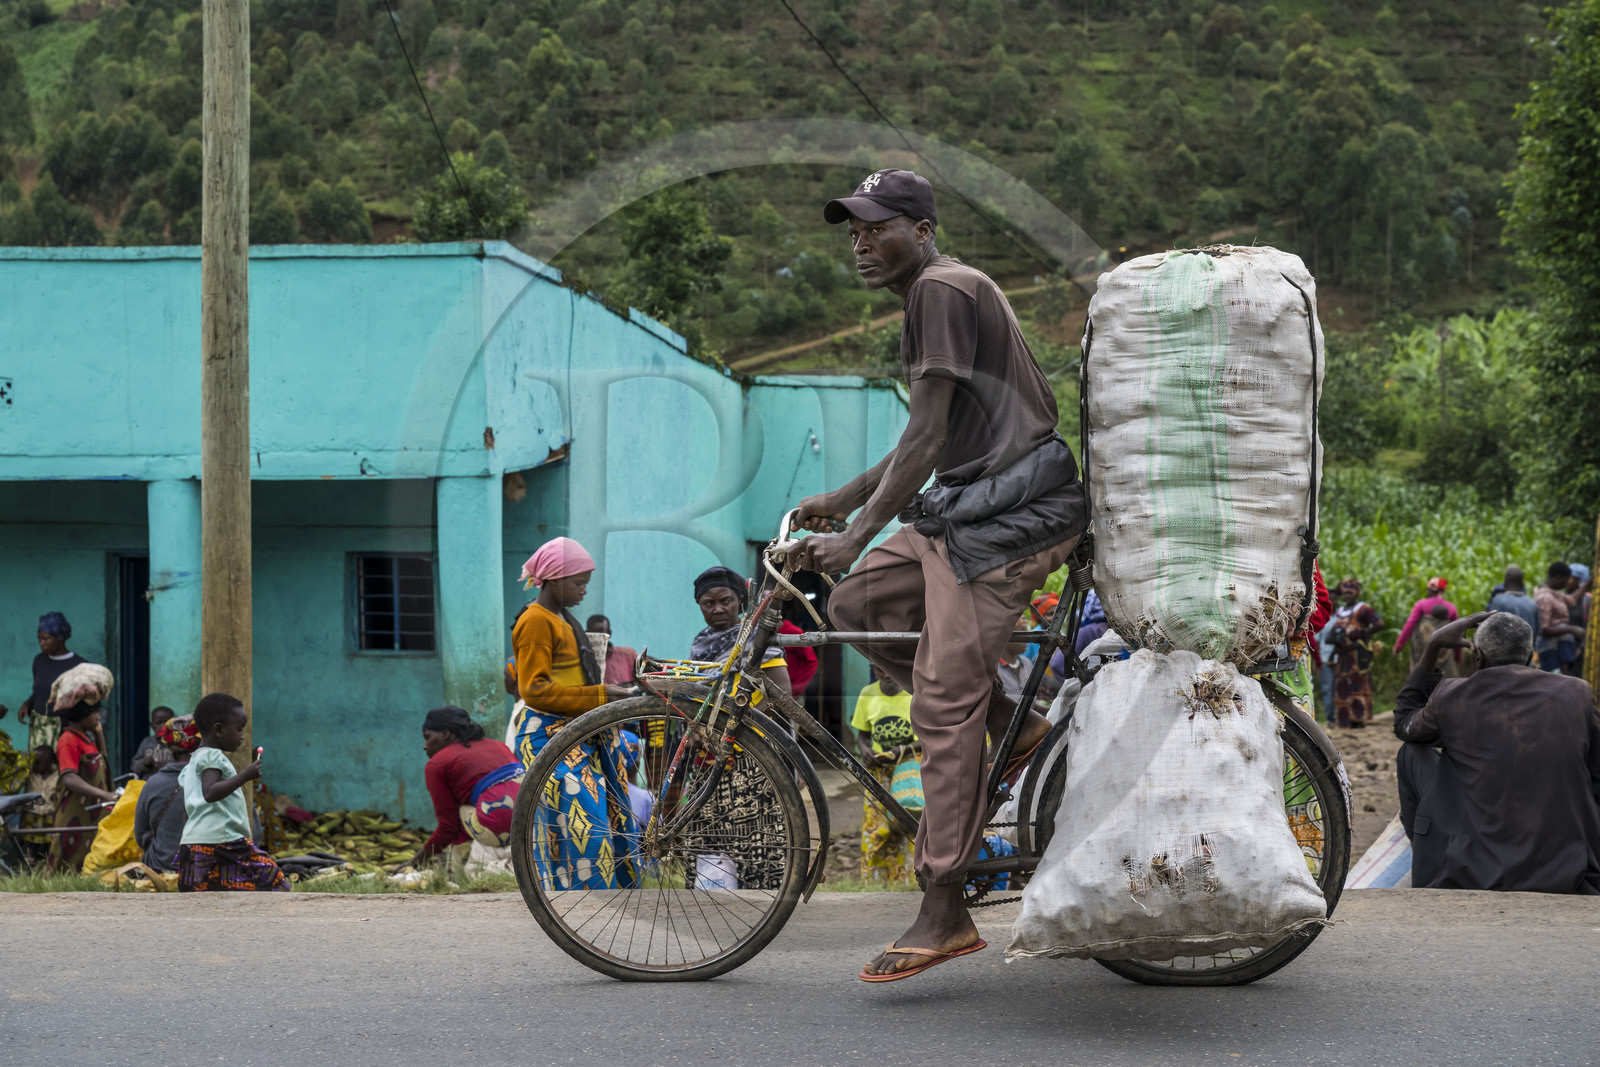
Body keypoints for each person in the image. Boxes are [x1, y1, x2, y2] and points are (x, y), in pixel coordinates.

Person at [788, 169, 1087, 981]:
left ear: (920, 229)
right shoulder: (936, 295)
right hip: (965, 510)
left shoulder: (942, 291)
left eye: (875, 228)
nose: (860, 243)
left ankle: (944, 902)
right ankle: (1014, 723)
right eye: (851, 231)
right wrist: (844, 500)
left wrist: (857, 529)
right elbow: (929, 434)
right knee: (857, 601)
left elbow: (922, 440)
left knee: (939, 698)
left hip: (1010, 522)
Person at [1394, 612, 1600, 893]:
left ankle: (1432, 860)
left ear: (1478, 657)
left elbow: (1404, 723)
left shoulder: (1453, 696)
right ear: (1530, 654)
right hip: (1565, 868)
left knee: (1411, 753)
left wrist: (1432, 646)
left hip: (1471, 872)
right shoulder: (1577, 694)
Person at [510, 537, 637, 891]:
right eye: (578, 582)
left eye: (586, 583)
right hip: (547, 733)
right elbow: (532, 689)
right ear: (553, 578)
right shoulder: (536, 621)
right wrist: (599, 695)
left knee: (601, 818)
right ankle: (580, 907)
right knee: (584, 823)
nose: (583, 591)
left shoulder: (561, 618)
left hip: (573, 731)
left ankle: (605, 901)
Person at [174, 693, 288, 892]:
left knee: (205, 897)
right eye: (239, 729)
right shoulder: (212, 756)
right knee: (272, 879)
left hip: (193, 842)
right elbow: (210, 792)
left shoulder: (193, 762)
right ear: (218, 730)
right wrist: (245, 775)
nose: (243, 736)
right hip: (223, 841)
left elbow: (188, 809)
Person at [413, 706, 523, 867]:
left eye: (427, 737)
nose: (425, 745)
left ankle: (462, 867)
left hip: (497, 829)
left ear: (445, 734)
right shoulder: (498, 745)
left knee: (459, 811)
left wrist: (415, 862)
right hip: (533, 819)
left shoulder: (437, 763)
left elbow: (448, 827)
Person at [48, 664, 119, 871]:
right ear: (82, 715)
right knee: (67, 862)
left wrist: (99, 735)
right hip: (74, 814)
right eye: (94, 713)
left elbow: (103, 764)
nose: (98, 717)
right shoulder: (69, 740)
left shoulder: (86, 739)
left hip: (89, 812)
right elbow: (69, 777)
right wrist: (104, 795)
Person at [849, 673, 917, 884]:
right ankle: (873, 884)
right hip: (878, 776)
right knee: (876, 833)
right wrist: (864, 750)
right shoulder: (867, 694)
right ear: (873, 668)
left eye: (889, 667)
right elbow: (862, 736)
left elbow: (927, 738)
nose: (886, 672)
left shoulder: (914, 695)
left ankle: (910, 882)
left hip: (908, 774)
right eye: (879, 667)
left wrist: (902, 750)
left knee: (908, 829)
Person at [689, 566, 793, 693]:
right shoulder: (701, 641)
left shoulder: (756, 638)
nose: (718, 609)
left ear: (739, 600)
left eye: (725, 601)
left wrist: (747, 713)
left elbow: (783, 690)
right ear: (700, 604)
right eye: (709, 603)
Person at [133, 715, 200, 873]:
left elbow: (140, 835)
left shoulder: (153, 784)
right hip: (202, 872)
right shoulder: (215, 781)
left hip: (160, 870)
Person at [16, 612, 84, 757]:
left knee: (61, 774)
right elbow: (40, 690)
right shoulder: (39, 661)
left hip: (64, 732)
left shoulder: (79, 666)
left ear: (60, 638)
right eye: (39, 639)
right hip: (39, 731)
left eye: (45, 639)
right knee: (38, 771)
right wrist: (28, 704)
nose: (41, 643)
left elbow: (87, 704)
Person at [1329, 578, 1383, 728]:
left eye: (1349, 593)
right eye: (1344, 593)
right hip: (1342, 654)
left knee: (1357, 685)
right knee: (1343, 686)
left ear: (1356, 593)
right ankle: (1345, 720)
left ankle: (1358, 719)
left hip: (1357, 655)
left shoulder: (1363, 609)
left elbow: (1379, 623)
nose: (1346, 596)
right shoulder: (1340, 611)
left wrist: (1365, 633)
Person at [1394, 578, 1459, 661]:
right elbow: (1457, 632)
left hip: (1422, 651)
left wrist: (1399, 646)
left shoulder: (1421, 605)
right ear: (1442, 591)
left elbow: (1410, 624)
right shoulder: (1451, 608)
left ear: (1431, 591)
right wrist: (1457, 657)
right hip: (1443, 654)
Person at [1534, 562, 1582, 673]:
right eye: (1566, 580)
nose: (1567, 584)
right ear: (1558, 578)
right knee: (1555, 682)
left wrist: (1589, 581)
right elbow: (1544, 629)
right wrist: (1572, 629)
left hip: (1559, 648)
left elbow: (1572, 600)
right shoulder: (1544, 597)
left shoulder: (1555, 593)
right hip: (1551, 648)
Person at [1487, 566, 1540, 636]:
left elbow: (1491, 628)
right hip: (1528, 645)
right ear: (1522, 584)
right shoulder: (1532, 603)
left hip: (1503, 646)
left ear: (1505, 584)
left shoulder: (1498, 601)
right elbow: (1537, 632)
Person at [585, 614, 637, 686]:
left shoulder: (628, 654)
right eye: (594, 634)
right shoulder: (584, 658)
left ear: (609, 633)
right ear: (586, 634)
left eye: (602, 633)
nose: (598, 637)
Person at [129, 706, 177, 778]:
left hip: (172, 783)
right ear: (152, 725)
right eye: (158, 723)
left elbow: (185, 765)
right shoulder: (147, 742)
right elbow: (134, 766)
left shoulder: (178, 743)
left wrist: (167, 766)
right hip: (148, 784)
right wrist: (144, 763)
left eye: (167, 722)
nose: (163, 726)